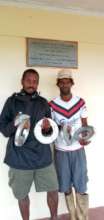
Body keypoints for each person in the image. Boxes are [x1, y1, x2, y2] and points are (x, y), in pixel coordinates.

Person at [0, 68, 58, 220]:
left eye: (35, 82)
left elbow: (49, 132)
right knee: (22, 195)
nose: (31, 84)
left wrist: (48, 128)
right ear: (22, 81)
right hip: (19, 158)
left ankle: (54, 217)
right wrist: (15, 123)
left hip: (42, 156)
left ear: (37, 84)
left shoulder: (43, 103)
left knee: (53, 189)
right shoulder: (12, 102)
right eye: (28, 81)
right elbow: (4, 131)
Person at [49, 69, 90, 220]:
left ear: (71, 83)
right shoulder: (52, 104)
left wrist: (85, 136)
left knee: (81, 185)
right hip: (60, 150)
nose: (65, 84)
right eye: (62, 82)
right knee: (65, 186)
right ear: (58, 84)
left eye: (67, 81)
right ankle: (73, 216)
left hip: (77, 149)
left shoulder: (80, 102)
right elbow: (50, 128)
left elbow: (85, 125)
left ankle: (83, 217)